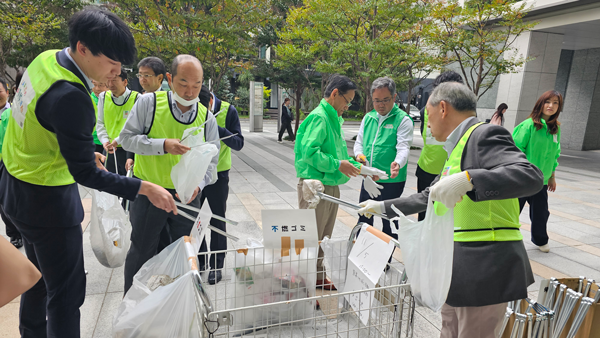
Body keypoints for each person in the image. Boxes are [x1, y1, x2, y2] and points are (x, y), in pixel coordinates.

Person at [0, 8, 176, 337]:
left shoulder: (46, 60)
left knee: (36, 278)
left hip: (13, 186)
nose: (115, 72)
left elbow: (42, 125)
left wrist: (77, 151)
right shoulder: (72, 97)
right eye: (111, 62)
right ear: (83, 48)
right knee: (66, 294)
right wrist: (145, 188)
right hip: (47, 202)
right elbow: (87, 175)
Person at [358, 82, 543, 338]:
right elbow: (431, 195)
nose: (428, 126)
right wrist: (382, 207)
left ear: (442, 108)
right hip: (457, 263)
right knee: (450, 330)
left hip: (485, 267)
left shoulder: (484, 135)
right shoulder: (458, 145)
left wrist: (470, 179)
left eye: (428, 117)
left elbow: (530, 175)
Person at [120, 54, 220, 293]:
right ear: (169, 79)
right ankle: (131, 307)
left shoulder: (206, 117)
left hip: (185, 197)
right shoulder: (149, 104)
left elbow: (212, 162)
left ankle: (177, 302)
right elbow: (126, 140)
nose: (190, 91)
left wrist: (199, 185)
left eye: (197, 85)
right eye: (183, 83)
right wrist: (162, 144)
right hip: (149, 192)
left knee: (184, 252)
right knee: (142, 250)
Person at [295, 74, 383, 290]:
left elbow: (337, 155)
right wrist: (338, 165)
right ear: (335, 94)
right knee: (312, 237)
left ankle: (317, 275)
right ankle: (305, 284)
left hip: (328, 185)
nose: (348, 106)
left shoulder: (332, 118)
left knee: (323, 236)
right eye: (348, 100)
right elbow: (309, 153)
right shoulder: (320, 118)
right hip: (315, 188)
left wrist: (360, 167)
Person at [354, 77, 413, 241]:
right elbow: (359, 143)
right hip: (369, 179)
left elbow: (403, 147)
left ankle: (385, 261)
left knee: (389, 222)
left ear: (394, 98)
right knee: (365, 217)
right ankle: (362, 257)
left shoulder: (403, 120)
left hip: (391, 182)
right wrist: (359, 155)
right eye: (376, 100)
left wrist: (398, 163)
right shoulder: (368, 118)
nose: (381, 105)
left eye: (385, 100)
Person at [197, 85, 244, 284]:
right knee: (195, 220)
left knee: (217, 220)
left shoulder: (228, 110)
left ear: (209, 103)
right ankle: (200, 261)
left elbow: (239, 143)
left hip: (218, 175)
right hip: (194, 174)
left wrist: (215, 127)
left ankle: (217, 265)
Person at [512, 91, 562, 253]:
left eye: (555, 103)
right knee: (512, 211)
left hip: (541, 180)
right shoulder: (528, 125)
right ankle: (505, 240)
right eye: (548, 102)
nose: (551, 106)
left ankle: (540, 239)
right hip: (522, 179)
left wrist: (552, 176)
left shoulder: (555, 129)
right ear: (540, 104)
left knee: (541, 212)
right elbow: (515, 150)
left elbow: (555, 154)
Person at [415, 71, 464, 221]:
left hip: (453, 174)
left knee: (447, 218)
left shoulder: (464, 116)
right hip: (426, 170)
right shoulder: (425, 112)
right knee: (424, 215)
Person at [96, 68, 138, 175]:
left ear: (125, 82)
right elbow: (100, 122)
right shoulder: (103, 97)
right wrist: (105, 141)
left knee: (129, 186)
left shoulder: (137, 98)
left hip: (129, 151)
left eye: (114, 80)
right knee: (109, 186)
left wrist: (118, 140)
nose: (110, 84)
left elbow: (136, 127)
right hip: (109, 149)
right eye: (108, 80)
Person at [0, 78, 22, 249]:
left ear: (7, 92)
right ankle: (13, 234)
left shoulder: (16, 111)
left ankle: (21, 230)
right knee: (2, 202)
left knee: (13, 198)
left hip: (13, 162)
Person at [91, 80, 108, 154]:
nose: (97, 88)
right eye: (94, 85)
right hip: (93, 141)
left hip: (110, 142)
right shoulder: (88, 98)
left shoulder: (114, 99)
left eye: (101, 85)